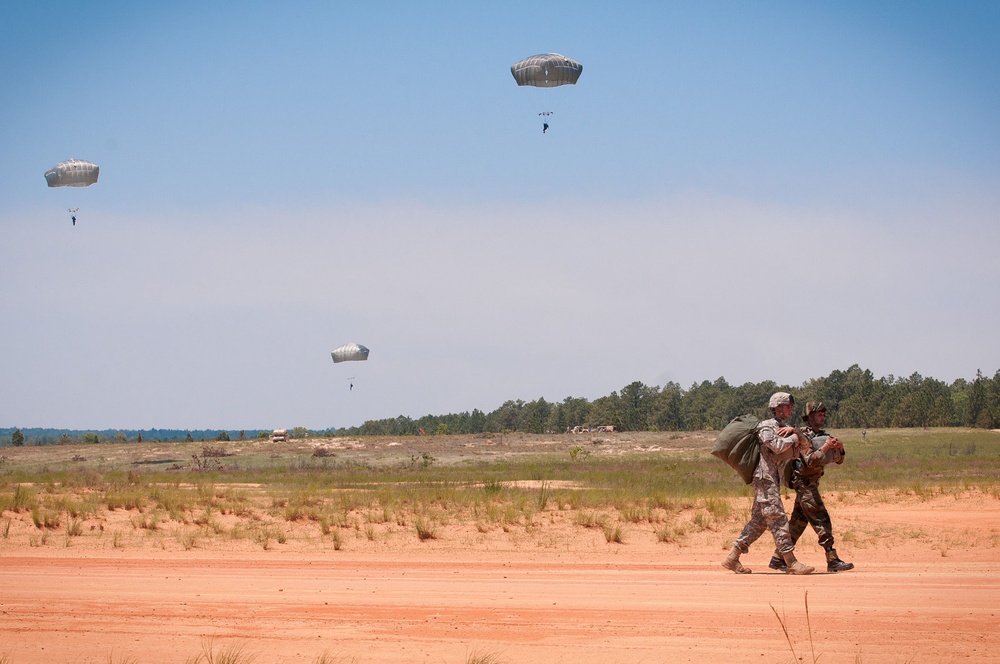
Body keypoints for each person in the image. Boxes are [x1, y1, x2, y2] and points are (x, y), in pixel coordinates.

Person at [722, 392, 815, 574]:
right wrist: (794, 437)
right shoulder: (766, 427)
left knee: (759, 522)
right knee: (778, 518)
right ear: (778, 407)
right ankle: (791, 562)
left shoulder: (787, 428)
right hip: (764, 479)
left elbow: (806, 446)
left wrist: (795, 432)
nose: (791, 409)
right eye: (788, 406)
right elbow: (777, 447)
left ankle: (733, 557)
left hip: (773, 480)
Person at [768, 401, 854, 573]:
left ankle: (778, 558)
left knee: (798, 523)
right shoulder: (801, 435)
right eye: (820, 414)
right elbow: (810, 460)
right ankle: (832, 559)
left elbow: (839, 460)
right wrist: (827, 447)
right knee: (822, 519)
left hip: (811, 483)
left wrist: (840, 448)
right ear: (810, 417)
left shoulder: (823, 435)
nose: (823, 417)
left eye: (824, 414)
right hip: (805, 484)